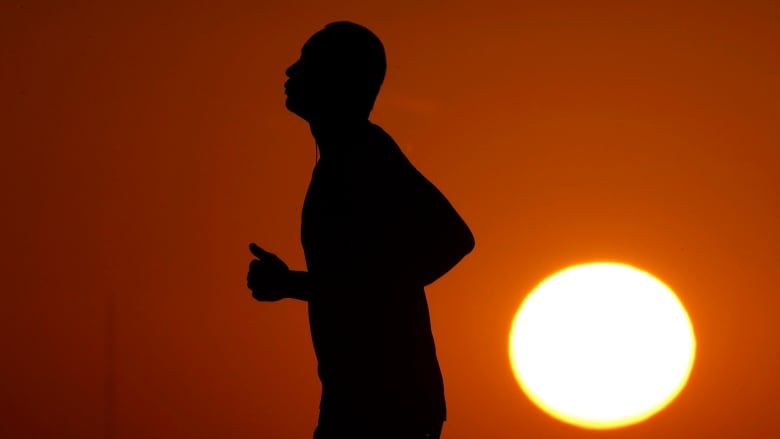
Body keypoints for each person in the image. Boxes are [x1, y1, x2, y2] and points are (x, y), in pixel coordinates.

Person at [247, 21, 475, 439]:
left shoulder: (365, 154)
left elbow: (455, 239)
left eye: (307, 63)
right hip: (360, 395)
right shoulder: (344, 157)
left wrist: (290, 284)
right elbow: (359, 280)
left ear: (337, 81)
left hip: (386, 402)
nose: (289, 72)